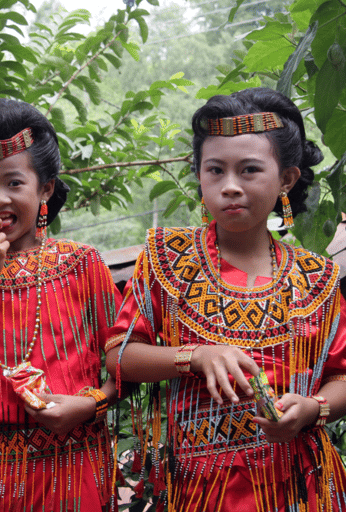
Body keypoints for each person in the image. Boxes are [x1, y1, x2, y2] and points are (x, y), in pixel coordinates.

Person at [106, 87, 346, 510]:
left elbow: (342, 377)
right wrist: (195, 356)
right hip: (199, 489)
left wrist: (311, 408)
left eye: (249, 170)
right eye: (215, 170)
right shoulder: (167, 258)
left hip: (298, 485)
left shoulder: (318, 278)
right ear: (199, 175)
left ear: (287, 179)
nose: (230, 186)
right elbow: (120, 356)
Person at [0, 98, 121, 511]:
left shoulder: (83, 264)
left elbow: (127, 363)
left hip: (79, 467)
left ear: (46, 189)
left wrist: (92, 404)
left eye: (15, 183)